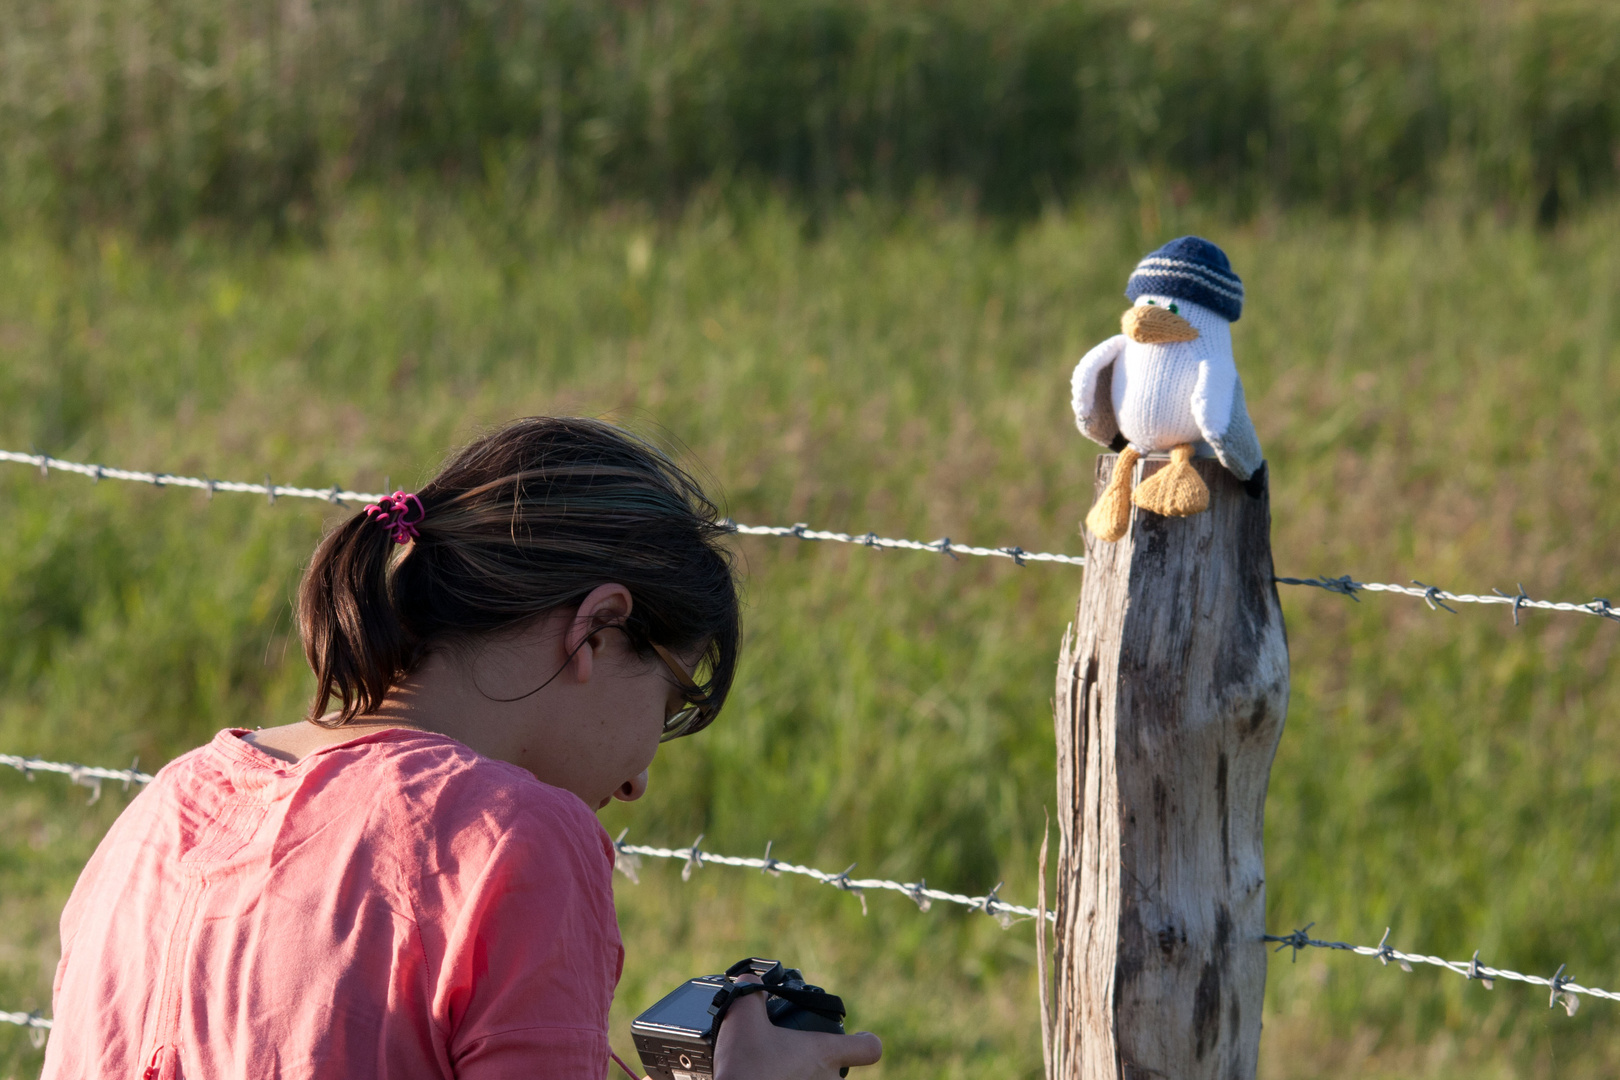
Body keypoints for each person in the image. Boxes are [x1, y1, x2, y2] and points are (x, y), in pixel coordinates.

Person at [41, 417, 882, 1080]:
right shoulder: (515, 840)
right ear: (598, 627)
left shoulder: (171, 802)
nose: (638, 781)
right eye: (666, 705)